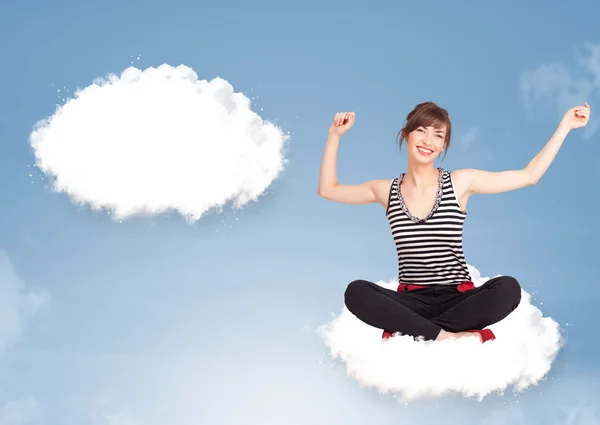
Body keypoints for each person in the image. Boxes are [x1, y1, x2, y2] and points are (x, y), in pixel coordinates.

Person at [317, 101, 591, 343]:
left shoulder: (460, 182)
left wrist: (565, 126)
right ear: (406, 135)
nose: (428, 141)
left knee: (508, 287)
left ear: (444, 145)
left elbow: (529, 175)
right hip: (411, 300)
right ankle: (445, 336)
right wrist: (334, 136)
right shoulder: (384, 190)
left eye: (438, 135)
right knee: (356, 292)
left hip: (459, 299)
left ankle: (418, 332)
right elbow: (328, 189)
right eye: (421, 131)